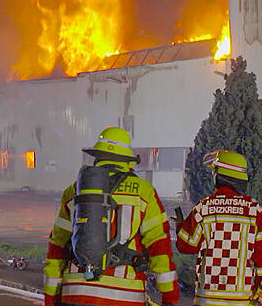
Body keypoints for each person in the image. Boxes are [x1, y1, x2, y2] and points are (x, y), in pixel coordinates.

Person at [43, 126, 179, 306]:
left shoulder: (74, 191)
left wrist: (50, 298)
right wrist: (170, 297)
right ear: (128, 161)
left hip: (75, 292)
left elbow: (56, 249)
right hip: (124, 296)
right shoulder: (144, 192)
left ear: (97, 157)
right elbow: (159, 249)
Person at [176, 149, 262, 306]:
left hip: (207, 299)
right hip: (242, 299)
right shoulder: (254, 210)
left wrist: (180, 226)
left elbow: (186, 246)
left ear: (219, 176)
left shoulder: (204, 207)